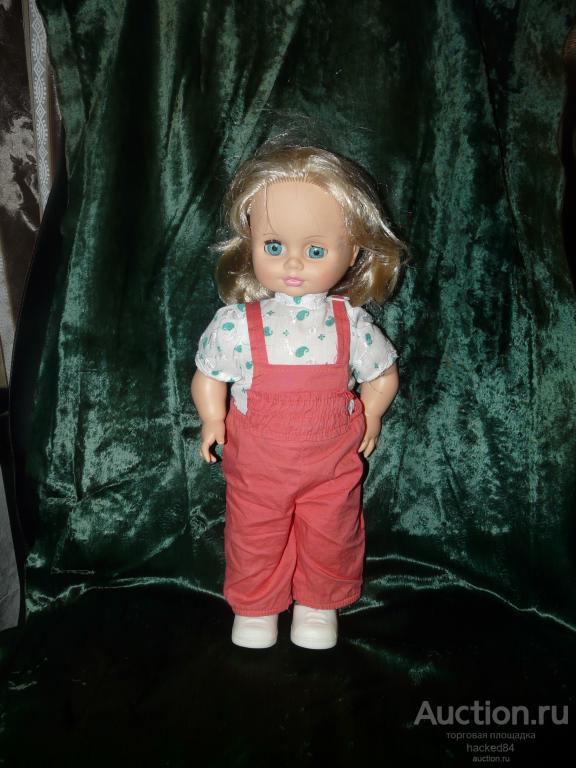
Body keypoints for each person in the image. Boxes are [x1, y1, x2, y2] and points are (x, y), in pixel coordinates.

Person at [191, 136, 407, 650]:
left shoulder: (351, 325)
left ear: (353, 252)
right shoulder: (236, 324)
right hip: (258, 466)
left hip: (331, 464)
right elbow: (208, 375)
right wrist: (212, 418)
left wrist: (372, 415)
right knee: (254, 532)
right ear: (250, 242)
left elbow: (382, 375)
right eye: (273, 246)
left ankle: (318, 603)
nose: (292, 264)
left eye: (314, 250)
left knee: (331, 531)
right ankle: (256, 606)